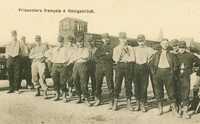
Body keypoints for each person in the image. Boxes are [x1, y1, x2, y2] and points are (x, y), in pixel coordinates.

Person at [151, 39, 179, 115]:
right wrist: (154, 73)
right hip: (158, 73)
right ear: (160, 44)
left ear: (168, 44)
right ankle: (160, 109)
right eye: (163, 43)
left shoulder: (172, 54)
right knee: (158, 91)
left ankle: (174, 109)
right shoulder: (156, 54)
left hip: (168, 73)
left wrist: (172, 73)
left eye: (166, 43)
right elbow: (151, 64)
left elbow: (176, 65)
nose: (165, 45)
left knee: (171, 91)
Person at [176, 41, 200, 119]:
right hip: (177, 77)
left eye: (183, 48)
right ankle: (179, 110)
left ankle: (185, 111)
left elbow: (198, 62)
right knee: (178, 93)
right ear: (178, 48)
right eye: (180, 48)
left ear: (185, 48)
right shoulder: (175, 56)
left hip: (186, 76)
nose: (181, 49)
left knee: (186, 93)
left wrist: (194, 69)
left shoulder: (190, 55)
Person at [112, 32, 135, 111]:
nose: (123, 40)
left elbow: (132, 59)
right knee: (117, 84)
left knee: (128, 84)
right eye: (121, 38)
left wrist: (126, 58)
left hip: (128, 66)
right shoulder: (116, 48)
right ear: (119, 39)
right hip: (119, 66)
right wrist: (121, 51)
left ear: (126, 39)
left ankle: (128, 103)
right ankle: (115, 102)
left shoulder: (130, 48)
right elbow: (115, 59)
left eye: (124, 38)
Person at [133, 34, 156, 112]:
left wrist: (150, 61)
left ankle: (143, 104)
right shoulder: (134, 49)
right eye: (139, 41)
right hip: (136, 68)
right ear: (137, 41)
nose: (141, 43)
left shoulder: (149, 49)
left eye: (142, 41)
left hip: (144, 68)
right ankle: (137, 103)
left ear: (145, 41)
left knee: (144, 86)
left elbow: (155, 54)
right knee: (136, 87)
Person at [50, 35, 75, 102]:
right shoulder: (54, 49)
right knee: (55, 81)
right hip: (55, 65)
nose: (60, 43)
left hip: (63, 66)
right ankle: (57, 95)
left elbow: (71, 57)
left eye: (61, 41)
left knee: (63, 81)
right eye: (58, 42)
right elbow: (48, 55)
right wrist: (52, 60)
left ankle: (64, 96)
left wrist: (68, 63)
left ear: (63, 42)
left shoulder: (66, 49)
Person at [93, 33, 114, 109]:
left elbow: (111, 56)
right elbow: (95, 57)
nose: (106, 40)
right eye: (104, 38)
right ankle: (98, 99)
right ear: (102, 39)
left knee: (110, 84)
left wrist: (102, 56)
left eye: (107, 38)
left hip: (108, 67)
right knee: (98, 83)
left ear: (109, 39)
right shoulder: (99, 48)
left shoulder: (112, 47)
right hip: (99, 67)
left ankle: (111, 101)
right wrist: (105, 54)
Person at [71, 36, 91, 106]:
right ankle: (79, 97)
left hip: (83, 65)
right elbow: (73, 58)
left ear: (83, 42)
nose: (80, 43)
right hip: (76, 66)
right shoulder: (75, 50)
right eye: (78, 42)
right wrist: (79, 56)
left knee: (84, 83)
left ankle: (86, 98)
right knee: (75, 81)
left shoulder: (86, 49)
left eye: (81, 42)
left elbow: (86, 57)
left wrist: (78, 57)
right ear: (76, 43)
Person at [87, 36, 97, 100]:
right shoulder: (86, 49)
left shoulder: (96, 49)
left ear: (94, 42)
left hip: (94, 66)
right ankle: (86, 94)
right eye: (89, 42)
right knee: (85, 80)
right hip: (87, 66)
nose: (90, 43)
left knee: (94, 80)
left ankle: (94, 94)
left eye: (92, 41)